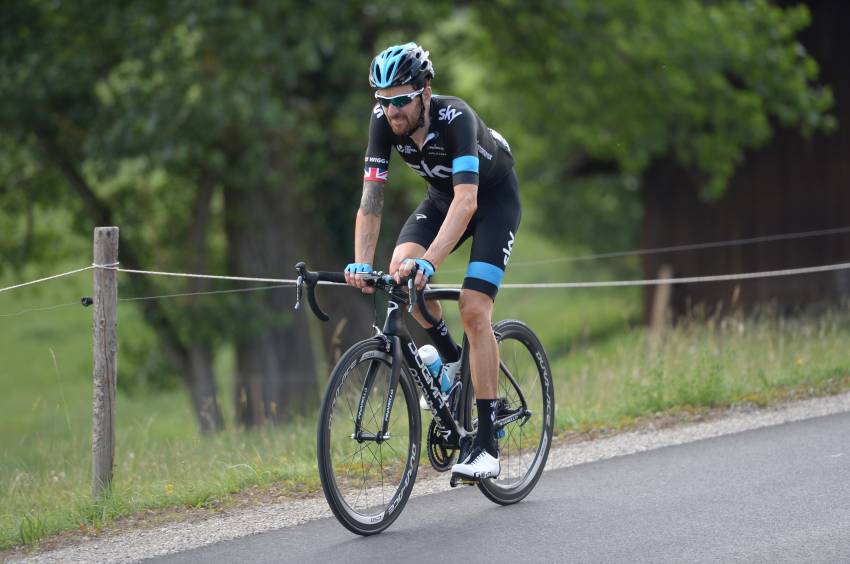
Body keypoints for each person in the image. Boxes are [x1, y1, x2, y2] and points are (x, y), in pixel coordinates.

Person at [344, 42, 521, 481]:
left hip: (491, 201)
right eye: (382, 101)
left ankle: (487, 444)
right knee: (401, 270)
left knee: (474, 308)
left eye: (400, 99)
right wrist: (361, 264)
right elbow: (371, 202)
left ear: (424, 92)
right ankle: (449, 365)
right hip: (442, 201)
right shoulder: (382, 123)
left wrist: (431, 262)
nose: (392, 112)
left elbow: (468, 201)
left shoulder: (454, 117)